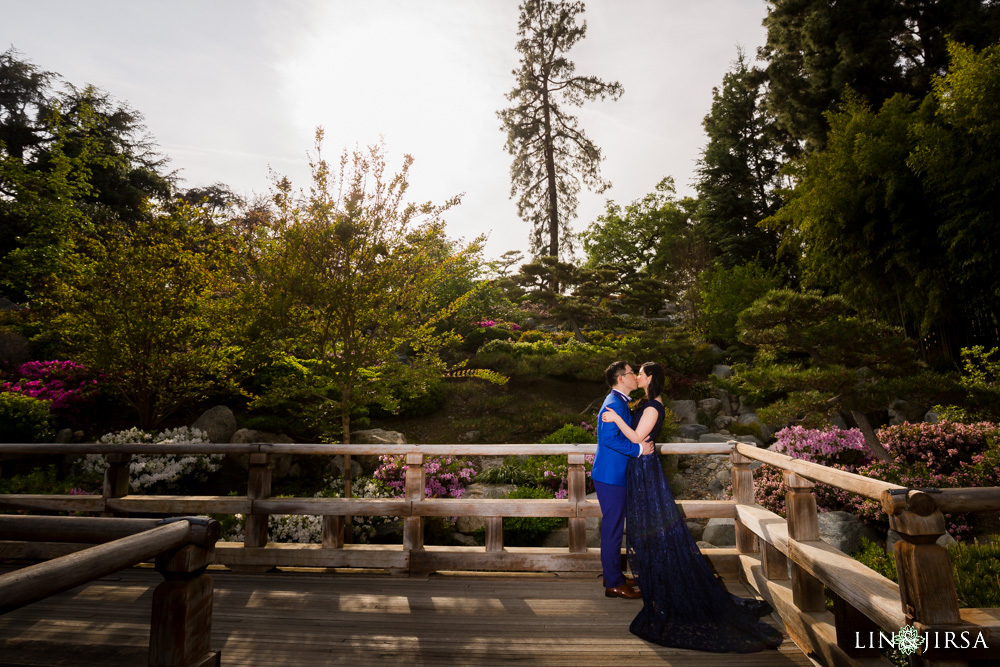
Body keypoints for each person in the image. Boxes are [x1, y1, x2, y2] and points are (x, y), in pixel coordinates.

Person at [601, 361, 784, 653]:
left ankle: (664, 577)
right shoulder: (640, 402)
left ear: (650, 379)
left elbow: (636, 438)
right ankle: (650, 575)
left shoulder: (651, 406)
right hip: (636, 468)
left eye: (641, 373)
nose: (637, 375)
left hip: (644, 468)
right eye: (634, 373)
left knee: (655, 523)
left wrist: (619, 421)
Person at [593, 361, 654, 599]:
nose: (634, 377)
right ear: (621, 378)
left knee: (615, 528)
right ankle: (614, 583)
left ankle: (613, 576)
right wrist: (640, 450)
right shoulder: (613, 404)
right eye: (631, 373)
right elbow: (610, 441)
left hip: (615, 474)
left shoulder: (619, 402)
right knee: (613, 530)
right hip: (610, 476)